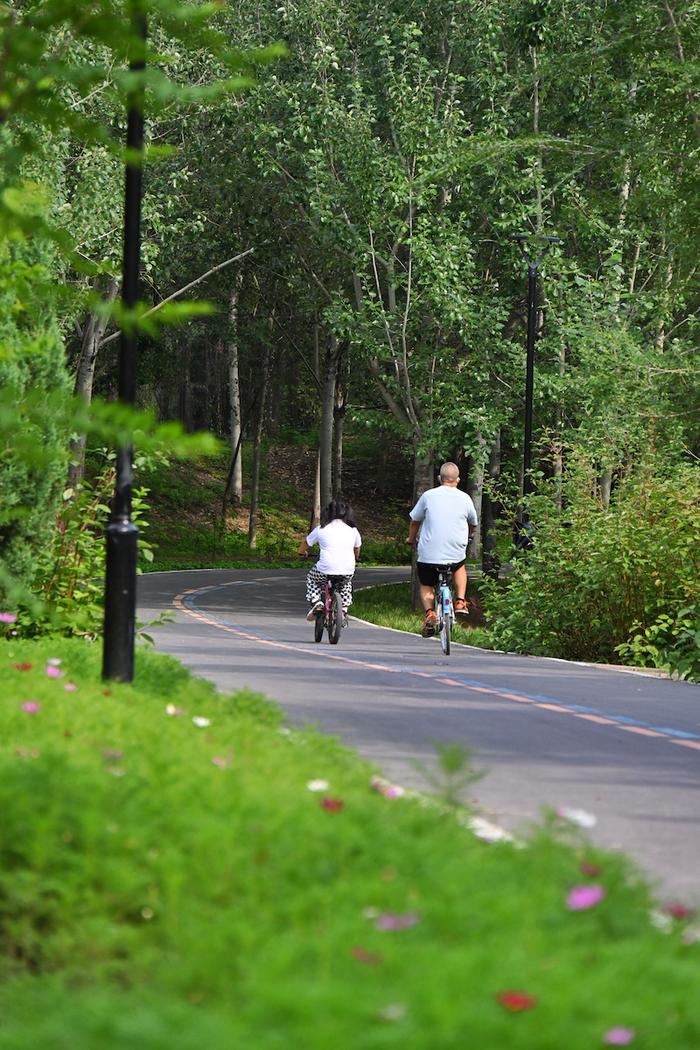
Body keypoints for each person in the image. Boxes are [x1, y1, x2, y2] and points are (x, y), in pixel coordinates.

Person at [406, 462, 478, 637]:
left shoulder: (428, 496)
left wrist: (411, 539)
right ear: (458, 480)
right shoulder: (465, 498)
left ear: (439, 478)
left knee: (426, 583)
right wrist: (468, 537)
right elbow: (473, 524)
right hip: (455, 552)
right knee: (459, 567)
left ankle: (430, 613)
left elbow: (415, 521)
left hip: (428, 555)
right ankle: (460, 601)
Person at [299, 496, 361, 621]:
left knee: (312, 579)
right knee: (346, 585)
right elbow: (357, 549)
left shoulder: (321, 529)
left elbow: (306, 543)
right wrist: (356, 557)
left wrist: (302, 552)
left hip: (324, 569)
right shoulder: (353, 530)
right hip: (347, 569)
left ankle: (317, 602)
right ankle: (343, 610)